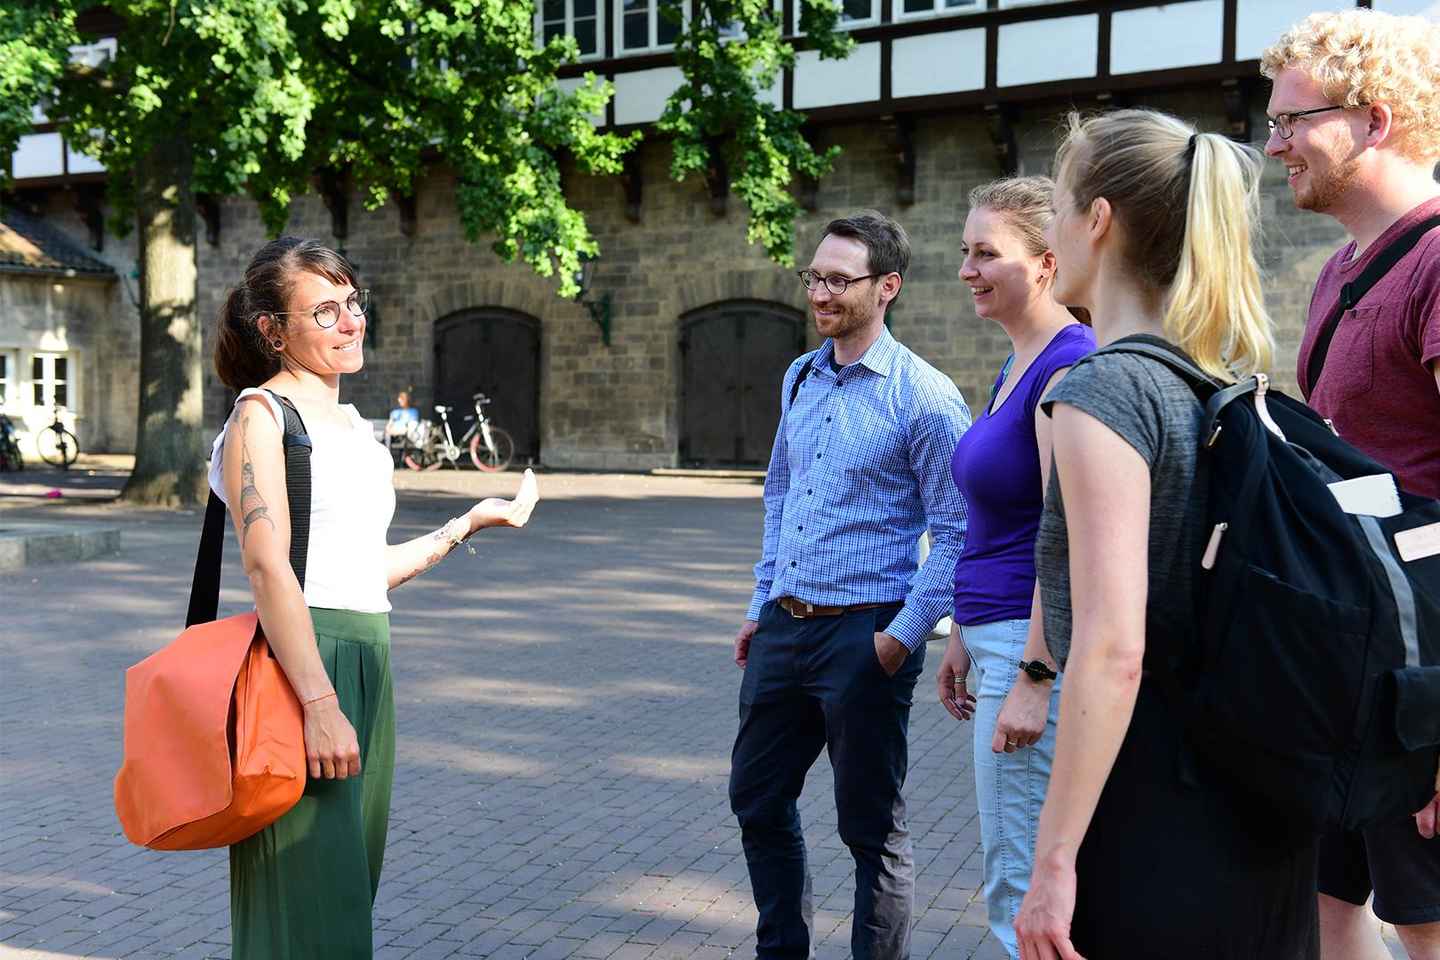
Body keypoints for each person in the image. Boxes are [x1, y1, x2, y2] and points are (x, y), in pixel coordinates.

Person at [1012, 109, 1318, 959]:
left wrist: (1056, 860)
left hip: (1154, 803)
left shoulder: (1101, 395)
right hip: (1256, 791)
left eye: (1060, 206)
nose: (1052, 230)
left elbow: (1113, 648)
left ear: (1098, 220)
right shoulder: (1220, 381)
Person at [210, 236, 540, 958]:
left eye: (352, 303)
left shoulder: (357, 429)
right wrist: (320, 705)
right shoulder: (261, 418)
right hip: (307, 666)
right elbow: (270, 570)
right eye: (324, 311)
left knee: (349, 890)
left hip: (367, 655)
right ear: (274, 330)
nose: (351, 321)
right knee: (306, 903)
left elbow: (358, 571)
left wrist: (462, 525)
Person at [730, 211, 971, 960]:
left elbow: (960, 533)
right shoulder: (799, 376)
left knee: (870, 830)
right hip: (783, 627)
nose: (820, 293)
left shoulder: (925, 398)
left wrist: (899, 640)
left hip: (865, 634)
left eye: (839, 279)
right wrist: (758, 603)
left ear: (886, 287)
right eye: (815, 276)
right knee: (758, 801)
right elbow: (780, 494)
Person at [1261, 11, 1440, 959]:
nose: (1274, 141)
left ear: (1373, 120)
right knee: (1333, 914)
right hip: (1350, 656)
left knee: (1426, 924)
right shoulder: (1337, 270)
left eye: (1295, 120)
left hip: (1425, 667)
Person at [934, 176, 1093, 959]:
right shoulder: (1016, 361)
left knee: (1023, 885)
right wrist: (962, 630)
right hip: (993, 637)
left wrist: (1033, 672)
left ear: (1044, 262)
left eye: (986, 253)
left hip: (1031, 651)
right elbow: (999, 521)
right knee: (1013, 873)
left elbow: (1064, 540)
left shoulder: (1067, 366)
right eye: (965, 251)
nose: (967, 269)